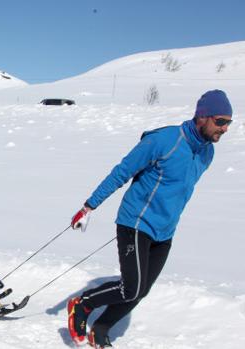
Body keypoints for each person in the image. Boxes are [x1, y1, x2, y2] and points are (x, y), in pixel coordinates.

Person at [67, 90, 233, 348]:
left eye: (228, 123)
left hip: (165, 231)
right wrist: (89, 206)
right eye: (220, 121)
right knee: (131, 288)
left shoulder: (206, 153)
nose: (224, 128)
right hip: (135, 221)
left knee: (141, 290)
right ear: (202, 117)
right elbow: (122, 171)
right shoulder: (163, 141)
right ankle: (82, 304)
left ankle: (100, 328)